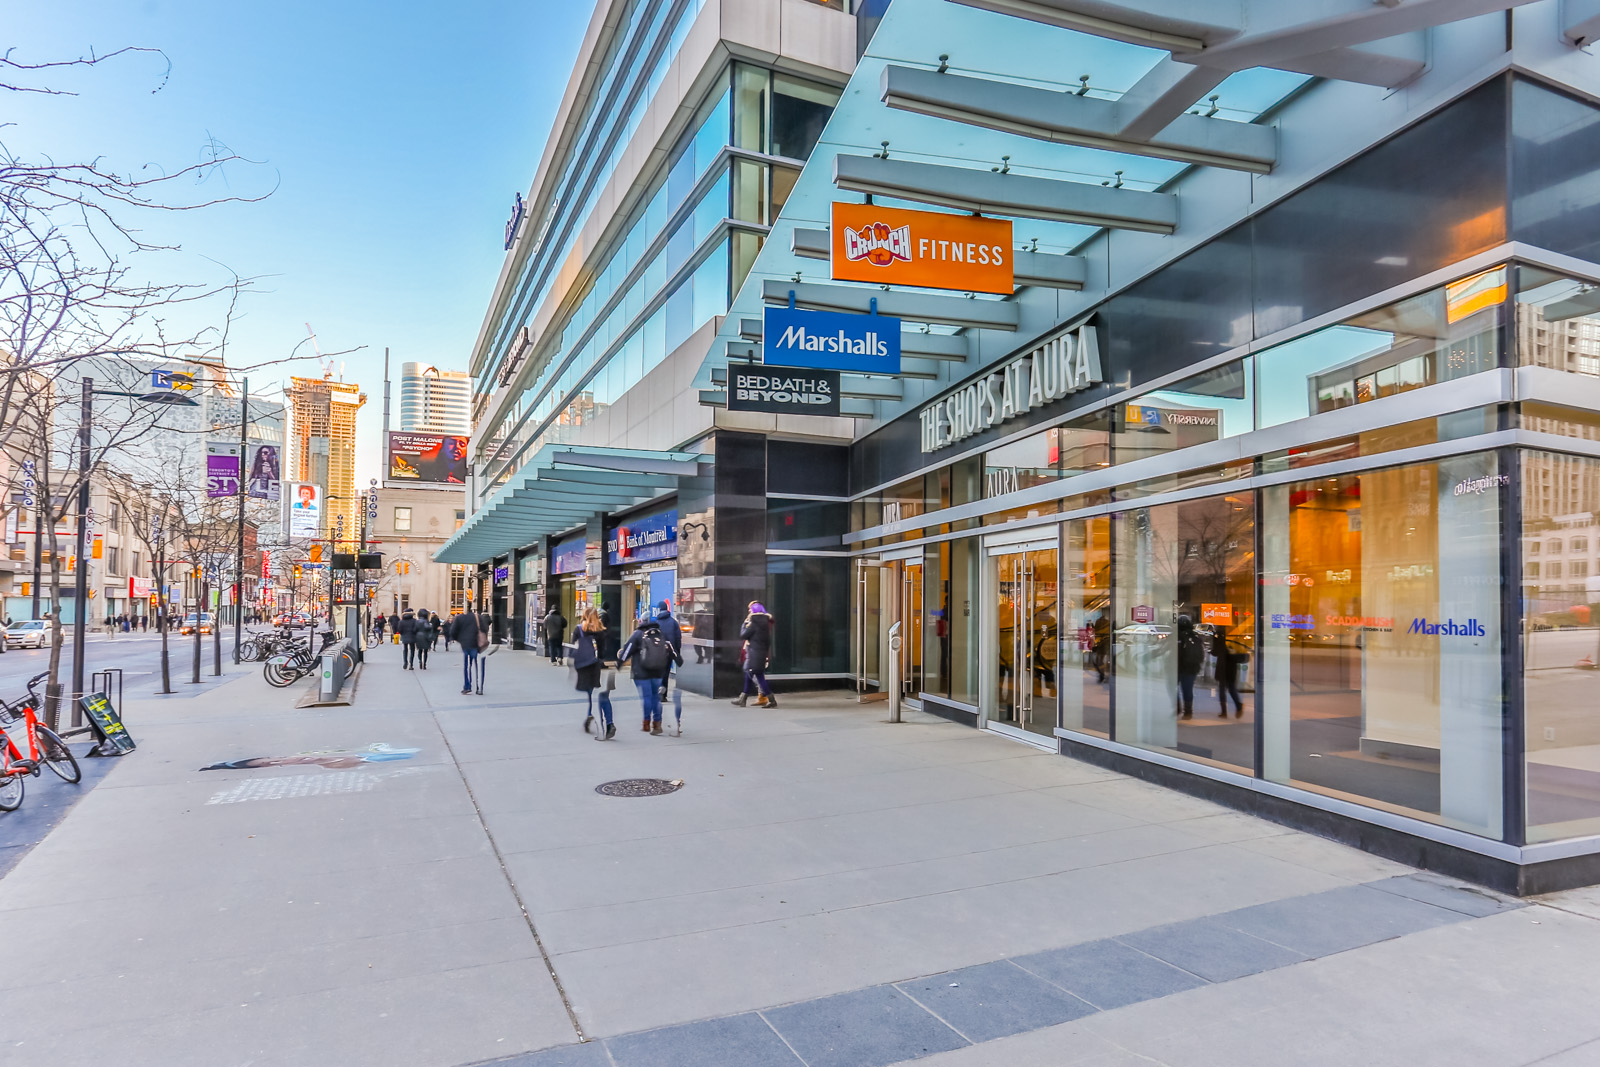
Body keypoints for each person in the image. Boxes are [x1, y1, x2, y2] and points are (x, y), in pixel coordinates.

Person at [619, 611, 681, 734]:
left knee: (646, 697)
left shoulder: (637, 634)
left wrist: (619, 662)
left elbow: (627, 650)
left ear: (641, 622)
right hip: (658, 672)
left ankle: (646, 723)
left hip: (641, 673)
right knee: (656, 698)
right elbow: (670, 647)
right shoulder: (660, 633)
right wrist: (678, 660)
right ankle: (657, 724)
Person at [571, 607, 613, 739]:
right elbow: (602, 652)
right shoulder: (600, 630)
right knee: (596, 692)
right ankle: (603, 720)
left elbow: (573, 646)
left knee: (589, 693)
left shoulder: (579, 629)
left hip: (582, 665)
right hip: (594, 665)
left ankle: (590, 714)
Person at [732, 602, 776, 708]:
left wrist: (744, 623)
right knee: (750, 674)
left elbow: (743, 635)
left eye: (751, 610)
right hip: (759, 653)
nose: (749, 611)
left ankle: (771, 700)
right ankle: (743, 698)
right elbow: (767, 641)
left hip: (754, 653)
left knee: (758, 676)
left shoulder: (753, 623)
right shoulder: (765, 623)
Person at [450, 606, 489, 695]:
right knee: (478, 666)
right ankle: (479, 687)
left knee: (467, 666)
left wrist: (460, 640)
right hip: (477, 644)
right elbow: (485, 629)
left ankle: (467, 686)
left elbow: (453, 631)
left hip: (466, 644)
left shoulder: (459, 618)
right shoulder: (478, 617)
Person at [1174, 614, 1203, 720]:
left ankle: (1177, 707)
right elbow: (1201, 654)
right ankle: (1188, 712)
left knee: (1172, 688)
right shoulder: (1195, 636)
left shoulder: (1177, 635)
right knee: (1188, 690)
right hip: (1192, 668)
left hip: (1179, 667)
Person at [1214, 625, 1245, 719]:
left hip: (1224, 666)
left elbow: (1215, 652)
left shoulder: (1219, 638)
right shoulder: (1233, 637)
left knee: (1224, 689)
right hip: (1230, 667)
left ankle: (1225, 711)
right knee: (1230, 688)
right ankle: (1237, 706)